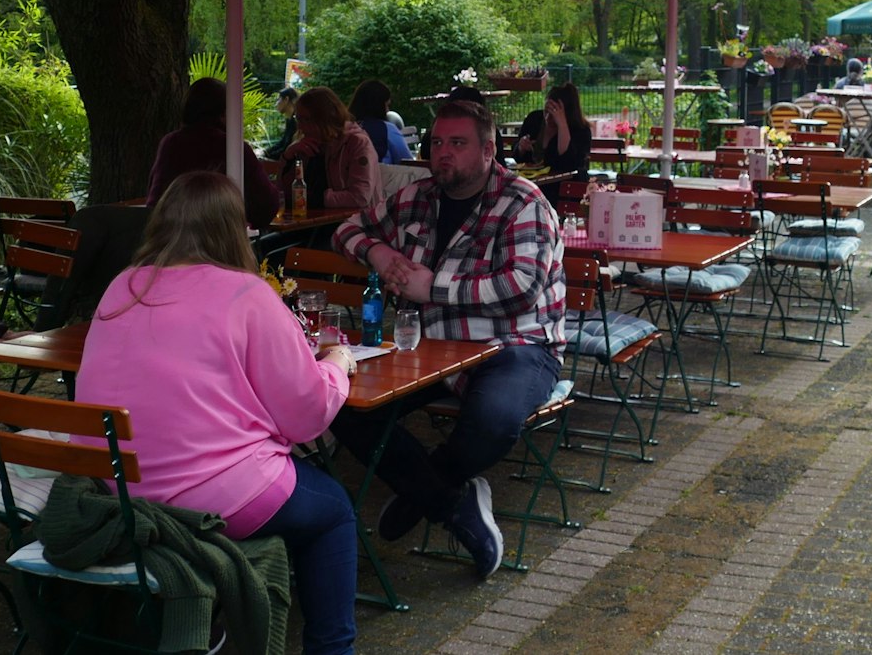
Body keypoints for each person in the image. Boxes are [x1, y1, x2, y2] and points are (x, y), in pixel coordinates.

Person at [76, 172, 358, 655]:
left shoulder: (123, 285)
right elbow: (307, 416)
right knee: (334, 512)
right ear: (237, 228)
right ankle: (333, 649)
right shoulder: (246, 294)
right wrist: (337, 365)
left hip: (115, 489)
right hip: (211, 498)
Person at [329, 97, 565, 578]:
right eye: (437, 143)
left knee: (494, 420)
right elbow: (347, 229)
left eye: (457, 144)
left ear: (487, 150)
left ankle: (425, 486)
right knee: (344, 408)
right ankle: (452, 506)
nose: (443, 154)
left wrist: (430, 287)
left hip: (515, 345)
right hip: (428, 344)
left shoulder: (524, 202)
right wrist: (374, 251)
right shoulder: (416, 197)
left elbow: (521, 289)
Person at [147, 77, 281, 227]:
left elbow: (154, 199)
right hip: (220, 241)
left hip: (168, 239)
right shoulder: (232, 147)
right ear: (224, 114)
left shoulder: (170, 143)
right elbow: (266, 206)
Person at [279, 87, 381, 212]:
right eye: (298, 119)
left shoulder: (357, 143)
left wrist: (314, 198)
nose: (300, 126)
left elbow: (360, 196)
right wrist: (288, 157)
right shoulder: (307, 146)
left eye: (306, 119)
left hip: (355, 224)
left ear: (327, 118)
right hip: (311, 221)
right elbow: (283, 194)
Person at [349, 79, 413, 166]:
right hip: (381, 177)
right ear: (379, 106)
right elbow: (406, 161)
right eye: (387, 105)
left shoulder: (345, 128)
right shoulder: (387, 129)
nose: (388, 110)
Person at [534, 83, 592, 177]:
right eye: (546, 110)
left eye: (554, 112)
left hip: (564, 185)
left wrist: (562, 125)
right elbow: (519, 157)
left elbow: (568, 164)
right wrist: (521, 148)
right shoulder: (534, 119)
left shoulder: (581, 131)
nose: (548, 117)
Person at [262, 86, 300, 159]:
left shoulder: (296, 121)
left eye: (278, 99)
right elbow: (283, 142)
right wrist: (265, 152)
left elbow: (287, 147)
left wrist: (267, 156)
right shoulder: (290, 120)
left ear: (286, 99)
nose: (276, 104)